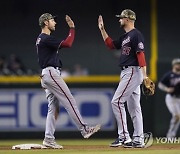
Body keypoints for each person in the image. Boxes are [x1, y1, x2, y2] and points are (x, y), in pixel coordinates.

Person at [36, 13, 100, 149]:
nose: (55, 22)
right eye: (52, 20)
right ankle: (84, 129)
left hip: (46, 74)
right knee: (69, 100)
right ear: (46, 22)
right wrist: (72, 28)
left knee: (52, 108)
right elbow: (68, 43)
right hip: (51, 73)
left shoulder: (41, 39)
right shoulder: (45, 38)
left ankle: (48, 139)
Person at [98, 9, 150, 148]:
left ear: (127, 19)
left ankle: (124, 137)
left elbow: (140, 54)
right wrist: (102, 30)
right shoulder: (126, 37)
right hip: (129, 72)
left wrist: (145, 75)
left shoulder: (136, 34)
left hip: (133, 71)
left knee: (116, 101)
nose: (119, 19)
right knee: (134, 108)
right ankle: (138, 139)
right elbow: (111, 45)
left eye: (121, 18)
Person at [158, 58, 180, 138]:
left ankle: (171, 135)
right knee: (176, 116)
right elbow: (160, 84)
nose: (178, 65)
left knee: (178, 117)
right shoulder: (169, 74)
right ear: (173, 65)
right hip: (171, 98)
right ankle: (170, 135)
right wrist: (167, 89)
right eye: (177, 64)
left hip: (179, 98)